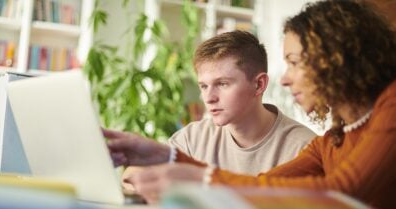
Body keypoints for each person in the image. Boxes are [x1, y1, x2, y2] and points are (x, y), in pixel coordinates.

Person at [107, 0, 396, 208]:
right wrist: (160, 155)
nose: (284, 80)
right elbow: (260, 184)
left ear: (337, 60)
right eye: (204, 85)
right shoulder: (331, 141)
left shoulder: (392, 105)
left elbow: (340, 192)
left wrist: (200, 179)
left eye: (294, 63)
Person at [120, 30, 316, 187]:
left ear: (259, 85)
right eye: (204, 86)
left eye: (222, 84)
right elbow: (130, 178)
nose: (209, 98)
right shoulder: (193, 138)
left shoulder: (303, 147)